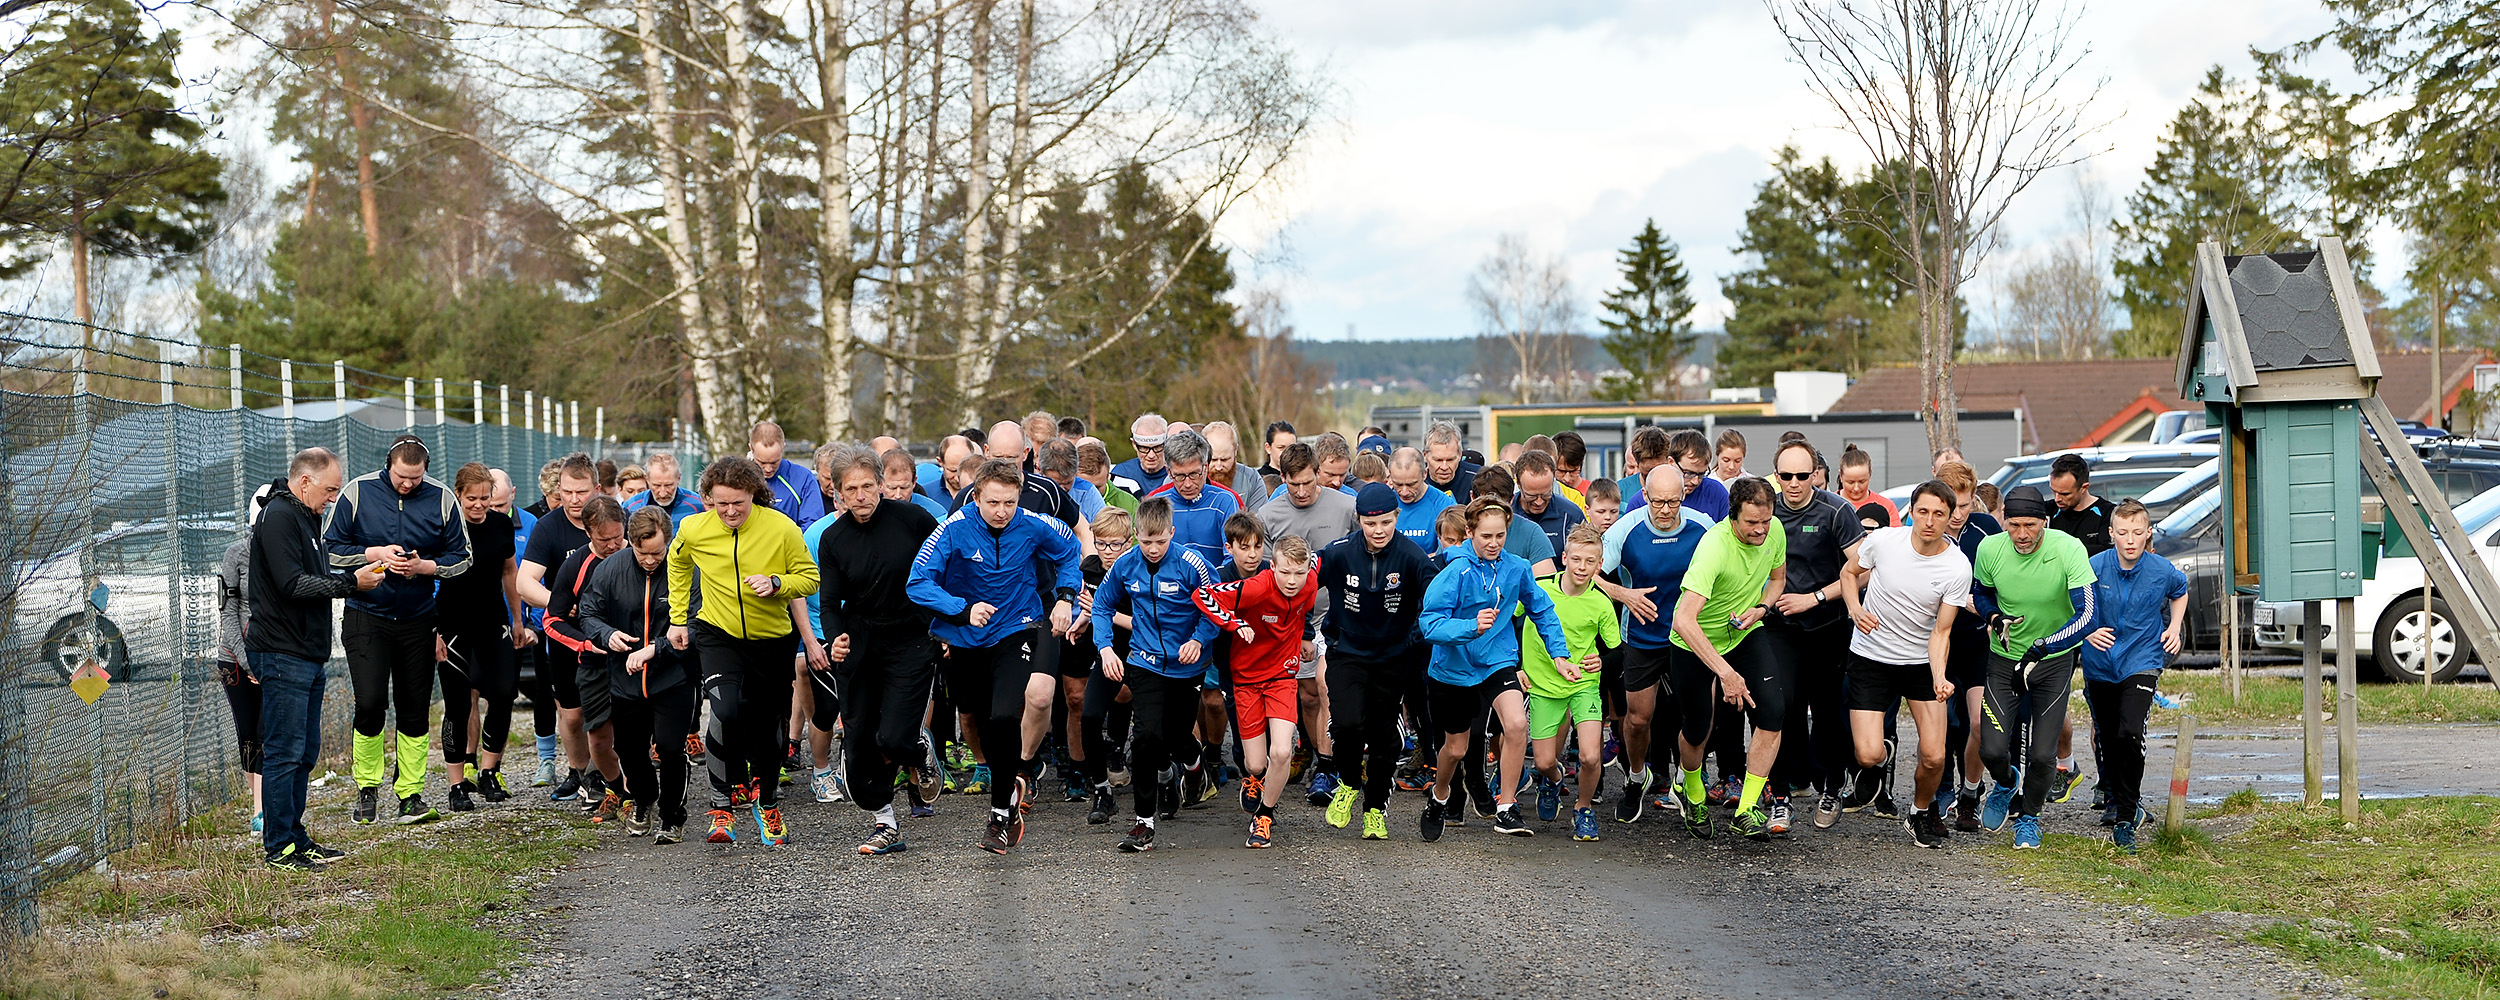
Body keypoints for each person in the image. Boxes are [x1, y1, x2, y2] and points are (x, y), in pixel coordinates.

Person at [911, 459, 1083, 853]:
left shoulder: (1033, 524)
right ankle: (1005, 791)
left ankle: (1001, 814)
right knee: (976, 716)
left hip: (1016, 628)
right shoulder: (953, 529)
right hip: (966, 636)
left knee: (1007, 715)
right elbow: (917, 583)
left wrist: (1066, 596)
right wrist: (960, 608)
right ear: (976, 497)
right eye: (993, 503)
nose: (1002, 511)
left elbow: (1069, 550)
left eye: (1009, 502)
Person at [667, 457, 822, 847]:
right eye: (721, 504)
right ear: (708, 499)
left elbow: (810, 577)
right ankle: (721, 808)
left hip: (771, 639)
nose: (731, 512)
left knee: (769, 728)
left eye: (738, 503)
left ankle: (767, 803)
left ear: (754, 494)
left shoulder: (781, 528)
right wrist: (678, 618)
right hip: (718, 633)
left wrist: (776, 582)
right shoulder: (693, 528)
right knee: (724, 710)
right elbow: (678, 563)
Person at [324, 435, 472, 826]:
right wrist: (374, 555)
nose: (407, 484)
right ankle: (367, 789)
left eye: (415, 478)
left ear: (425, 470)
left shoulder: (442, 498)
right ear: (388, 465)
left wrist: (427, 567)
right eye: (401, 477)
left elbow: (463, 557)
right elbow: (330, 549)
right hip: (365, 614)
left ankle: (410, 793)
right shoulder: (357, 492)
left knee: (414, 706)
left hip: (419, 617)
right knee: (370, 703)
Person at [252, 448, 386, 869]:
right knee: (285, 750)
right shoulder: (278, 517)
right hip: (281, 651)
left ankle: (295, 835)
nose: (332, 499)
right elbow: (293, 584)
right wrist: (352, 583)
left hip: (307, 652)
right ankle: (279, 847)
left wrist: (357, 572)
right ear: (304, 480)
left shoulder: (308, 516)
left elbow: (314, 578)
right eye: (329, 489)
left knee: (305, 752)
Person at [1414, 497, 1574, 840]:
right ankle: (1439, 796)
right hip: (1452, 669)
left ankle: (1506, 807)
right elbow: (1429, 624)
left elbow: (1542, 610)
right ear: (1470, 532)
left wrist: (1559, 654)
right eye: (1486, 536)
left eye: (1500, 535)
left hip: (1496, 660)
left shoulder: (1516, 568)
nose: (1493, 543)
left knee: (1516, 724)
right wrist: (1469, 625)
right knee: (1455, 749)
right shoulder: (1455, 572)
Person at [811, 446, 944, 855]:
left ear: (882, 484)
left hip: (911, 636)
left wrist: (947, 623)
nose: (862, 495)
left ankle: (919, 748)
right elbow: (830, 602)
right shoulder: (833, 538)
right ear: (838, 493)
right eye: (852, 489)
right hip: (861, 641)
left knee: (895, 736)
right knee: (860, 737)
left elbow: (947, 566)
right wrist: (835, 637)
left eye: (869, 486)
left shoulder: (914, 520)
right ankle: (885, 824)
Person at [1834, 480, 1970, 847]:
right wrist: (1855, 609)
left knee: (1934, 756)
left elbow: (1941, 632)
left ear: (1950, 517)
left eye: (1939, 514)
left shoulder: (1956, 567)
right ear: (1911, 513)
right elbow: (1849, 574)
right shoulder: (1883, 542)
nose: (1930, 521)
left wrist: (1940, 676)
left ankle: (1920, 811)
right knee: (1867, 754)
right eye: (1923, 512)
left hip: (1920, 663)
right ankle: (1880, 760)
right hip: (1871, 656)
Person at [1972, 485, 2098, 850]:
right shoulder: (1990, 549)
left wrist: (2044, 647)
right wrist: (1993, 616)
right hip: (2004, 660)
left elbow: (2089, 615)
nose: (2022, 534)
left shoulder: (2067, 549)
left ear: (2044, 522)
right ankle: (2007, 781)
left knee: (2043, 754)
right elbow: (1982, 593)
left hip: (2052, 663)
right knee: (1992, 748)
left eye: (2030, 525)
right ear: (2004, 522)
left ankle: (2028, 818)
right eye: (2014, 525)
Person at [1091, 496, 1219, 852]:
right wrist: (1104, 647)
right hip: (1144, 661)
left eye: (1160, 541)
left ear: (1172, 533)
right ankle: (1143, 823)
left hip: (1187, 664)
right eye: (1146, 541)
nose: (1152, 548)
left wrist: (1198, 639)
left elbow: (1216, 608)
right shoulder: (1125, 565)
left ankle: (1194, 767)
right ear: (1135, 535)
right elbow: (1102, 605)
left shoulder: (1192, 565)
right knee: (1146, 736)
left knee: (1175, 735)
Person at [1668, 477, 1789, 840]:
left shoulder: (1774, 530)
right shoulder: (1714, 548)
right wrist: (1726, 673)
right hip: (1694, 643)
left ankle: (1747, 809)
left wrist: (1762, 608)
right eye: (1751, 522)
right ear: (1732, 517)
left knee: (1772, 712)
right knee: (1697, 729)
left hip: (1744, 633)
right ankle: (1691, 792)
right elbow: (1683, 619)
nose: (1760, 530)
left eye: (1765, 521)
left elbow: (1778, 579)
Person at [1317, 484, 1438, 841]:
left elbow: (1437, 597)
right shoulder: (1339, 553)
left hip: (1393, 658)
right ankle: (1349, 783)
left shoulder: (1413, 557)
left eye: (1386, 522)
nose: (1379, 530)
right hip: (1347, 653)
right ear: (1359, 521)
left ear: (1396, 518)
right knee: (1346, 724)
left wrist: (1414, 636)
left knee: (1386, 740)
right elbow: (1303, 581)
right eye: (1371, 524)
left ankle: (1374, 809)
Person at [1762, 440, 1866, 834]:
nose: (1793, 483)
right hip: (1778, 627)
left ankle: (1831, 787)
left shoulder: (1836, 511)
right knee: (1782, 706)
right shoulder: (1764, 508)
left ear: (1816, 475)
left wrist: (1815, 597)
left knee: (1826, 710)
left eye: (1801, 476)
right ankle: (1781, 795)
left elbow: (1865, 568)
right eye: (1785, 476)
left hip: (1826, 624)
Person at [575, 507, 696, 842]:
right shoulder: (611, 569)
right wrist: (605, 634)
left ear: (668, 543)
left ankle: (673, 816)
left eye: (658, 553)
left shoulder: (685, 569)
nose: (650, 560)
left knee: (671, 748)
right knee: (629, 749)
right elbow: (588, 612)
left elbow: (698, 622)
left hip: (672, 676)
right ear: (631, 543)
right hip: (624, 679)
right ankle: (643, 798)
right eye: (643, 553)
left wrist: (657, 648)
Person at [1598, 465, 1708, 824]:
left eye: (1672, 501)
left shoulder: (1702, 527)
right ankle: (1636, 776)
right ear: (1644, 496)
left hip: (1687, 636)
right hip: (1642, 636)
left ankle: (1687, 780)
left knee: (1695, 716)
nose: (1665, 509)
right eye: (1657, 501)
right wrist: (1622, 593)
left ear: (1683, 497)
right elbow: (1586, 573)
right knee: (1638, 718)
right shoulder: (1625, 529)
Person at [1195, 534, 1321, 848]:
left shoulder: (1310, 581)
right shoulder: (1257, 586)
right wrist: (1234, 623)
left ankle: (1264, 816)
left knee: (1280, 751)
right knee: (1255, 764)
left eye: (1299, 573)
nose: (1292, 581)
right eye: (1285, 572)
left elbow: (1306, 598)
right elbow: (1203, 595)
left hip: (1282, 675)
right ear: (1272, 565)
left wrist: (1305, 635)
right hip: (1247, 679)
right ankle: (1254, 778)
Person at [2080, 499, 2187, 852]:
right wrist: (2088, 632)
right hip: (2099, 662)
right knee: (2109, 738)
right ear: (2111, 534)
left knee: (2129, 731)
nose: (2130, 540)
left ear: (2148, 533)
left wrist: (2174, 625)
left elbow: (2180, 590)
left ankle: (2126, 817)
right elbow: (2076, 607)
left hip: (2142, 658)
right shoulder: (2094, 567)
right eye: (2123, 533)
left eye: (2137, 533)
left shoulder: (2161, 569)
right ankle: (2122, 802)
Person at [1254, 441, 1358, 803]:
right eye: (1293, 484)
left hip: (1336, 615)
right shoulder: (1269, 515)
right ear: (1282, 478)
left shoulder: (1346, 507)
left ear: (1318, 474)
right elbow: (1266, 577)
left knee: (1326, 686)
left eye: (1308, 483)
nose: (1301, 492)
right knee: (1307, 695)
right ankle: (1312, 753)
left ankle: (1327, 768)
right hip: (1293, 620)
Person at [436, 462, 529, 810]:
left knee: (504, 693)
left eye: (485, 499)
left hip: (493, 620)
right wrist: (433, 631)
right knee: (458, 704)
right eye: (471, 498)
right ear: (458, 495)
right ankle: (457, 783)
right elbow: (426, 578)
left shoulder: (501, 525)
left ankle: (489, 771)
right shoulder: (444, 527)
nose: (478, 505)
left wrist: (518, 619)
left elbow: (510, 571)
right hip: (453, 623)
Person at [1520, 525, 1618, 841]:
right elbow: (1509, 617)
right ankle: (1553, 779)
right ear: (1564, 558)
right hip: (1543, 684)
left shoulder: (1601, 602)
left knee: (1590, 756)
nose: (1581, 567)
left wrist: (1602, 659)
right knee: (1545, 761)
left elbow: (1617, 651)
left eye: (1590, 562)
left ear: (1599, 565)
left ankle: (1583, 808)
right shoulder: (1539, 590)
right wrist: (1516, 665)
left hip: (1583, 683)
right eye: (1575, 559)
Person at [540, 496, 631, 823]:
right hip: (579, 653)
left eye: (618, 537)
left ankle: (622, 789)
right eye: (603, 540)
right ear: (588, 533)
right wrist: (583, 644)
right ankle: (591, 777)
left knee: (624, 723)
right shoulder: (575, 565)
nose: (612, 545)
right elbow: (552, 619)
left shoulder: (637, 555)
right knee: (577, 720)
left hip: (626, 653)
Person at [519, 456, 599, 801]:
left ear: (596, 489)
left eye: (581, 492)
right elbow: (525, 582)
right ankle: (579, 772)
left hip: (609, 629)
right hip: (565, 632)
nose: (574, 499)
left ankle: (605, 773)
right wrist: (560, 601)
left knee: (609, 708)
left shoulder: (612, 520)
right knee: (571, 713)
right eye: (566, 492)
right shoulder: (548, 527)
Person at [217, 490, 270, 834]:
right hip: (235, 659)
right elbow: (229, 613)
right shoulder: (235, 554)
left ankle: (266, 809)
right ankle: (259, 808)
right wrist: (249, 663)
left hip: (271, 657)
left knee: (268, 732)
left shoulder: (285, 555)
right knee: (248, 734)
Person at [1143, 428, 1240, 568]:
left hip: (1215, 585)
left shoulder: (1224, 501)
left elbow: (1233, 558)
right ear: (1168, 472)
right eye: (1180, 476)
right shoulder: (1157, 504)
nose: (1188, 484)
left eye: (1194, 474)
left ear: (1205, 468)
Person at [749, 421, 827, 530]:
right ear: (751, 449)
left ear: (783, 448)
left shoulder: (802, 478)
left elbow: (813, 527)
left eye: (774, 462)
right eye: (762, 462)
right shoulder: (740, 480)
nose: (768, 469)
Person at [1513, 449, 1585, 557]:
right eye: (1531, 496)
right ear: (1518, 484)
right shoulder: (1506, 516)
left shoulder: (1571, 516)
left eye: (1546, 494)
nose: (1539, 502)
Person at [1387, 447, 1457, 548]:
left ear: (1425, 474)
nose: (1404, 492)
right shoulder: (1384, 503)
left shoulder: (1444, 505)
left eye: (1411, 484)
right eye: (1398, 484)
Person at [623, 452, 705, 529]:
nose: (663, 493)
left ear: (678, 479)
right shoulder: (630, 507)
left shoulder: (697, 505)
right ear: (647, 479)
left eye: (669, 485)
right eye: (656, 486)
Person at [1667, 430, 1731, 523]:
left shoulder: (1716, 494)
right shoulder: (1649, 496)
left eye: (1701, 474)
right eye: (1689, 473)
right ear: (1671, 462)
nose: (1695, 481)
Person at [881, 446, 951, 522]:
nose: (898, 495)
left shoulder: (936, 513)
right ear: (880, 483)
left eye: (904, 487)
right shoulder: (869, 510)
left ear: (914, 482)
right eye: (892, 488)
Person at [1112, 413, 1172, 495]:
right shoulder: (1121, 474)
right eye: (1144, 448)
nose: (1151, 455)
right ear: (1134, 444)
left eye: (1157, 447)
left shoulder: (1177, 474)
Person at [1202, 421, 1264, 500]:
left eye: (1224, 460)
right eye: (1213, 460)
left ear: (1235, 451)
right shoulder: (1191, 480)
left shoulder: (1251, 479)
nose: (1218, 467)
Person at [1076, 439, 1140, 515]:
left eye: (1097, 487)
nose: (1091, 492)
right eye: (1085, 486)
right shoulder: (1062, 501)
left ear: (1107, 477)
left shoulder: (1128, 504)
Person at [1836, 447, 1897, 525]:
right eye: (1850, 482)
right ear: (1840, 476)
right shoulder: (1829, 505)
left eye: (1862, 482)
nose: (1856, 488)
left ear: (1870, 474)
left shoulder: (1886, 506)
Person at [1422, 421, 1479, 501]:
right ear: (1425, 455)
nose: (1444, 467)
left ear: (1460, 455)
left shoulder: (1478, 479)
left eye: (1450, 460)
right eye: (1438, 460)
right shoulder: (1413, 481)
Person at [1553, 432, 1592, 496]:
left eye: (1573, 471)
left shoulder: (1592, 494)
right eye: (1561, 471)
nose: (1567, 479)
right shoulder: (1543, 495)